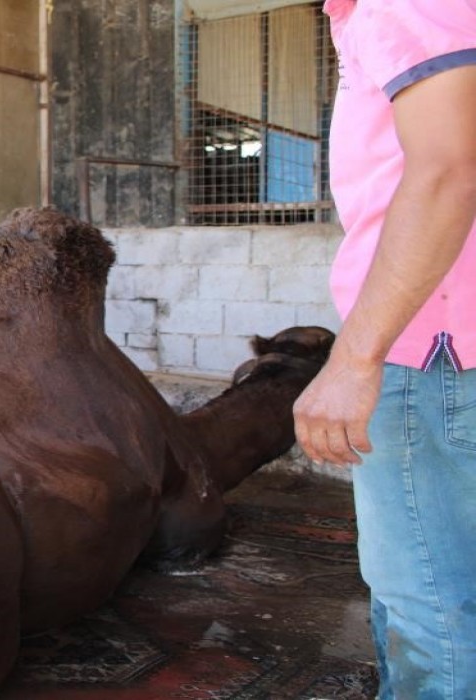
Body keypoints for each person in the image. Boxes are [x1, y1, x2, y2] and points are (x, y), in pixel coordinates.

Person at [295, 2, 476, 697]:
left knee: (432, 604)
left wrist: (354, 358)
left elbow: (449, 169)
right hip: (445, 343)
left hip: (430, 349)